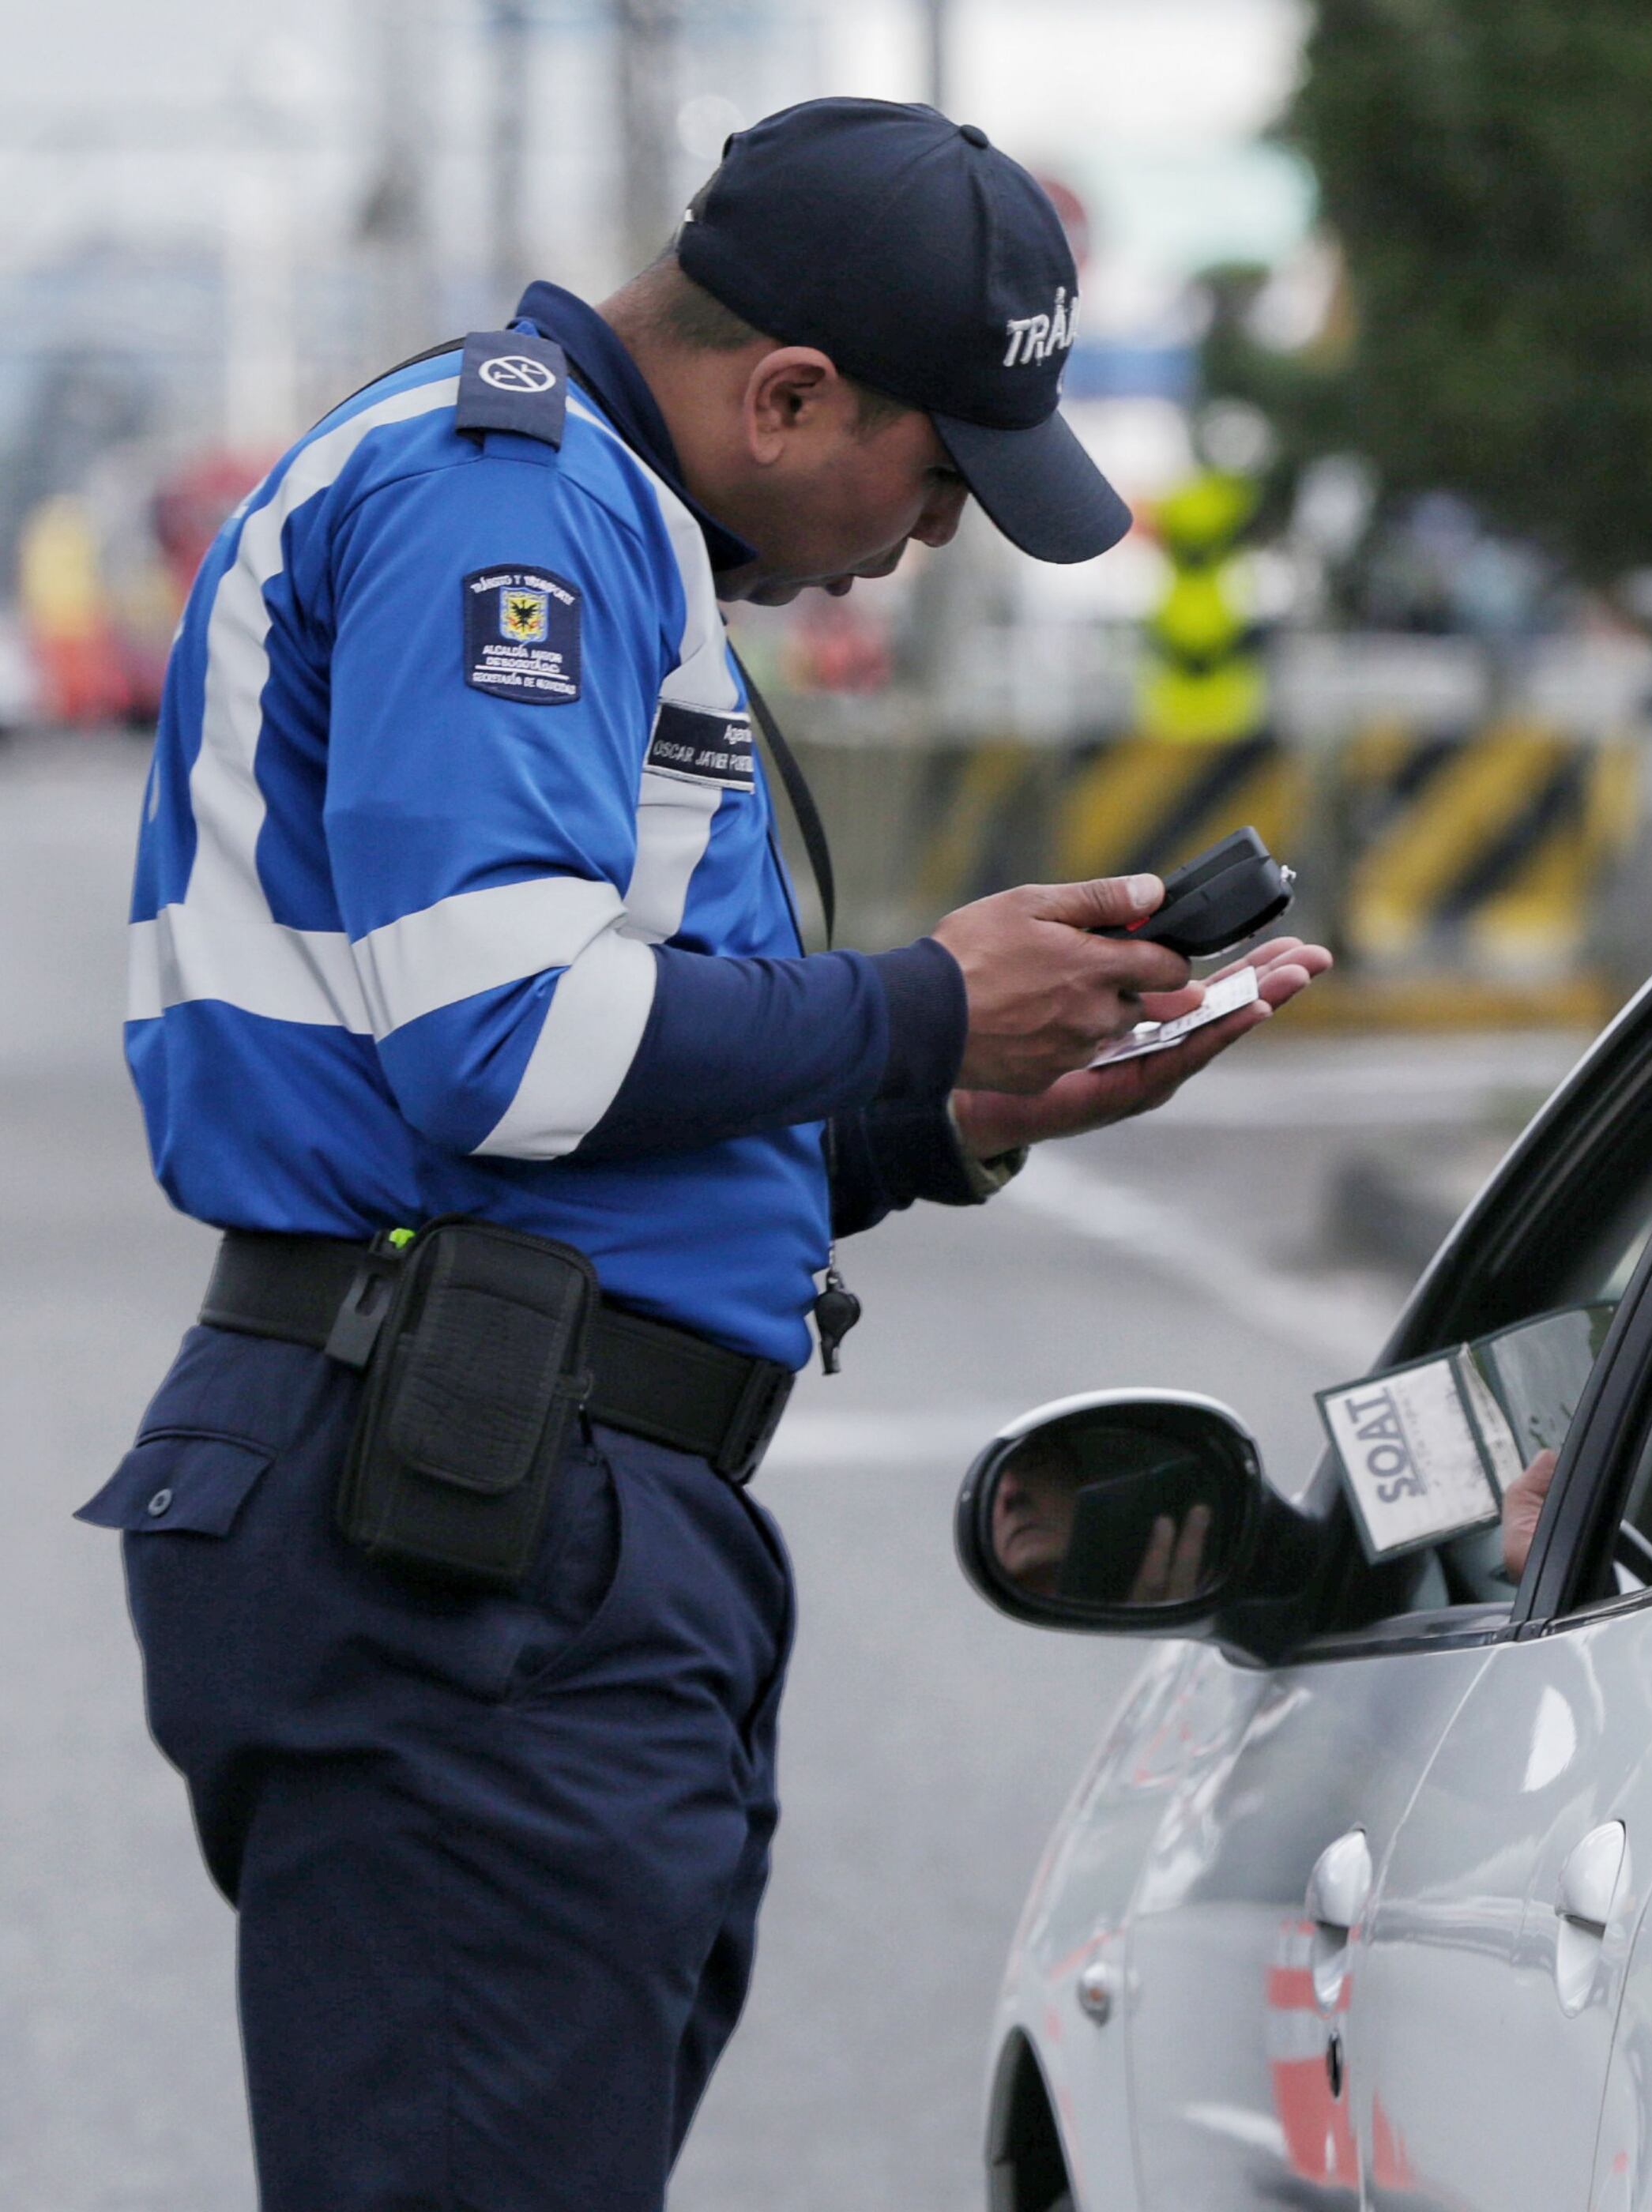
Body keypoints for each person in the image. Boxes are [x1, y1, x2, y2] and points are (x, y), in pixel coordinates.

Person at [77, 98, 1326, 2211]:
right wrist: (925, 998)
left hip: (509, 1496)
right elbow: (504, 1048)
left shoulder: (602, 521)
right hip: (466, 1516)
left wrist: (945, 1116)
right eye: (937, 478)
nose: (928, 539)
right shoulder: (519, 517)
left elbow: (588, 1118)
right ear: (788, 392)